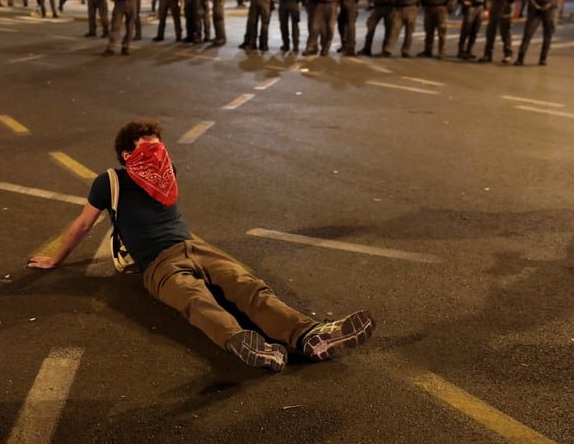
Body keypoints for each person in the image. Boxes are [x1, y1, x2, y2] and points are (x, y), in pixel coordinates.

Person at [27, 120, 376, 372]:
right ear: (126, 153)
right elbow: (84, 223)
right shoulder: (110, 180)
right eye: (148, 148)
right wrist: (56, 260)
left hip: (194, 245)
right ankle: (244, 343)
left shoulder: (166, 170)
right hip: (158, 263)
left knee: (247, 286)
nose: (158, 154)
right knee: (195, 299)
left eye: (159, 147)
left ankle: (311, 336)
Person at [515, 0, 563, 66]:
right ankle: (520, 58)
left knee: (548, 35)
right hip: (535, 10)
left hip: (549, 11)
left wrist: (548, 6)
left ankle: (543, 58)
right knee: (527, 34)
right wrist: (536, 5)